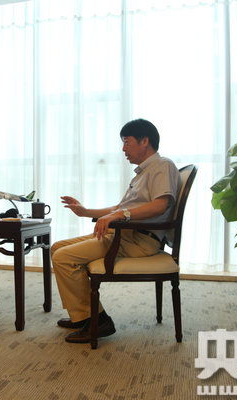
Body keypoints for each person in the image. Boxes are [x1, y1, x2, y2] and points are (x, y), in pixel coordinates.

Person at [51, 119, 181, 343]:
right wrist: (85, 211)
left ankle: (98, 320)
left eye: (127, 142)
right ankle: (82, 315)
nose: (123, 149)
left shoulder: (163, 166)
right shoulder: (141, 174)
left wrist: (121, 215)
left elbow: (161, 205)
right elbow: (119, 208)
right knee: (57, 248)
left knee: (63, 257)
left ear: (145, 141)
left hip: (138, 240)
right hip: (124, 234)